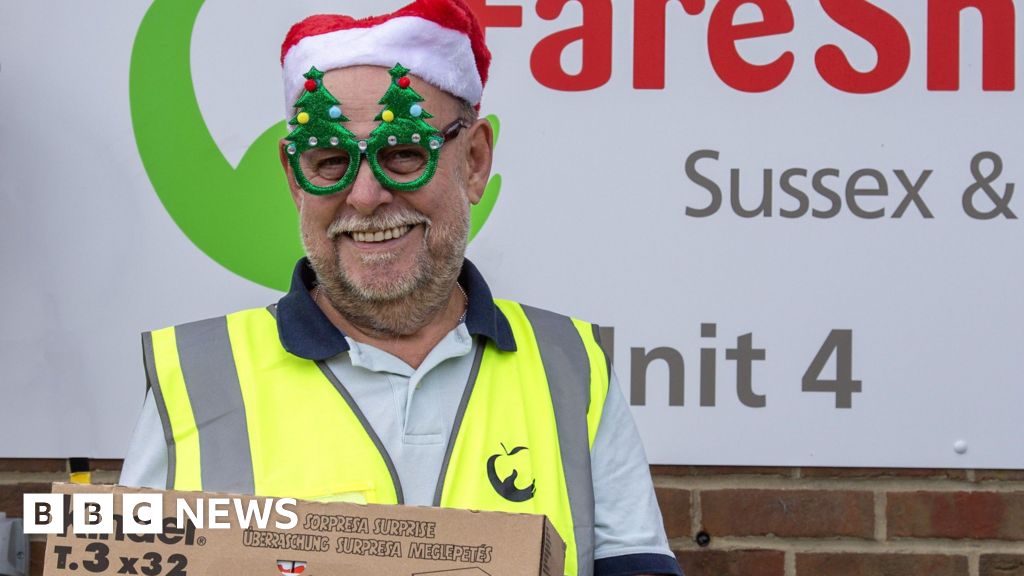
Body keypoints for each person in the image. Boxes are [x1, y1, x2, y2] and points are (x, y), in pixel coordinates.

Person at [120, 1, 682, 575]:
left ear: (475, 160)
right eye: (331, 160)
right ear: (294, 179)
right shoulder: (192, 378)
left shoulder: (571, 369)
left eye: (404, 154)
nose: (365, 197)